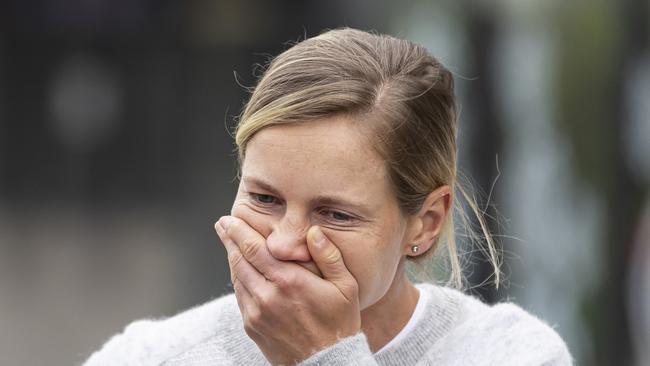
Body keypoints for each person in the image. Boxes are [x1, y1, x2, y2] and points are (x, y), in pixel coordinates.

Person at [83, 28, 573, 365]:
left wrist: (326, 355)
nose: (283, 244)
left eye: (335, 213)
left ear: (425, 222)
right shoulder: (151, 356)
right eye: (264, 198)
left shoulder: (511, 353)